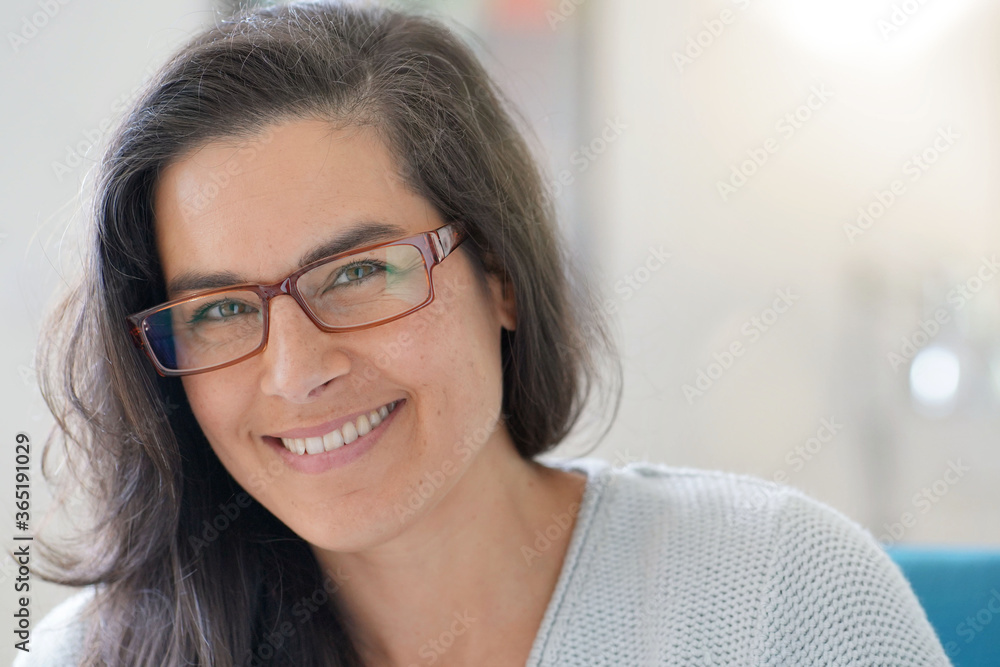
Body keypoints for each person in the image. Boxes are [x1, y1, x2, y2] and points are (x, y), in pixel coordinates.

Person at [14, 2, 951, 666]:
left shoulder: (779, 595)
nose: (296, 372)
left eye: (359, 273)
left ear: (498, 274)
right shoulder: (87, 654)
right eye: (220, 310)